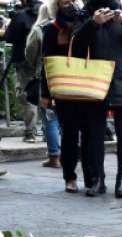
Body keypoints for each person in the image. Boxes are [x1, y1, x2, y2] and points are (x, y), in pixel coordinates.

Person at [72, 0, 122, 198]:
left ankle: (121, 181)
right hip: (95, 82)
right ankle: (98, 180)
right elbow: (77, 47)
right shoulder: (86, 16)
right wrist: (93, 23)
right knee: (96, 134)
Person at [40, 0, 94, 193]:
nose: (70, 4)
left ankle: (90, 177)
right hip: (65, 89)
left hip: (88, 86)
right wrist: (45, 93)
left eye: (73, 0)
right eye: (65, 1)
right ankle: (69, 177)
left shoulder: (87, 23)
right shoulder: (52, 29)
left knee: (89, 134)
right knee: (70, 134)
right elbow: (46, 63)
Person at [23, 2, 60, 168]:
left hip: (46, 77)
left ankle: (54, 157)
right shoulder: (66, 27)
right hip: (67, 76)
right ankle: (72, 153)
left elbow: (30, 54)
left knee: (50, 118)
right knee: (67, 118)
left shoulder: (38, 30)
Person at [6, 0, 42, 142]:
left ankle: (30, 133)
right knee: (46, 95)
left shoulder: (21, 16)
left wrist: (14, 18)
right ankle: (48, 132)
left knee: (27, 96)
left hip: (24, 61)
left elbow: (9, 38)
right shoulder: (49, 12)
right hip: (46, 60)